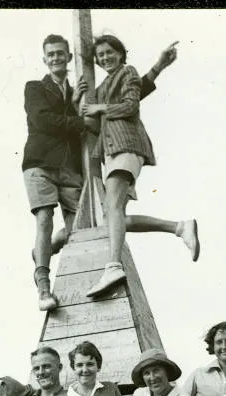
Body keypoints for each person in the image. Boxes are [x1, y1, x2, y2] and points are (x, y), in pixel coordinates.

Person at [23, 33, 179, 312]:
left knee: (80, 230)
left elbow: (125, 96)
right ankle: (43, 287)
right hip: (42, 163)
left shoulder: (81, 90)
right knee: (45, 218)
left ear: (70, 57)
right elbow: (42, 119)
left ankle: (46, 247)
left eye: (61, 53)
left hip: (71, 170)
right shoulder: (35, 87)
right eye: (51, 54)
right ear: (45, 59)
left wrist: (158, 68)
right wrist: (80, 116)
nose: (57, 58)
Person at [79, 34, 200, 298]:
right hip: (110, 151)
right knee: (116, 217)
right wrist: (81, 104)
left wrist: (99, 108)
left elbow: (130, 105)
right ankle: (179, 227)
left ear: (121, 54)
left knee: (112, 210)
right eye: (100, 55)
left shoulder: (127, 72)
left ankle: (113, 265)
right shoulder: (102, 88)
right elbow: (93, 123)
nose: (105, 58)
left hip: (127, 144)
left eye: (110, 52)